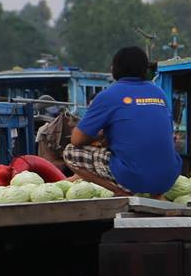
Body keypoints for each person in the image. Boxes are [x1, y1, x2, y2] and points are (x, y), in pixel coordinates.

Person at [66, 46, 181, 196]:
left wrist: (100, 137)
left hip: (134, 178)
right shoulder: (159, 94)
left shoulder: (109, 95)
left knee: (70, 152)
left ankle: (122, 193)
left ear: (114, 69)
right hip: (168, 178)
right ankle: (157, 195)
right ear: (145, 70)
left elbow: (76, 139)